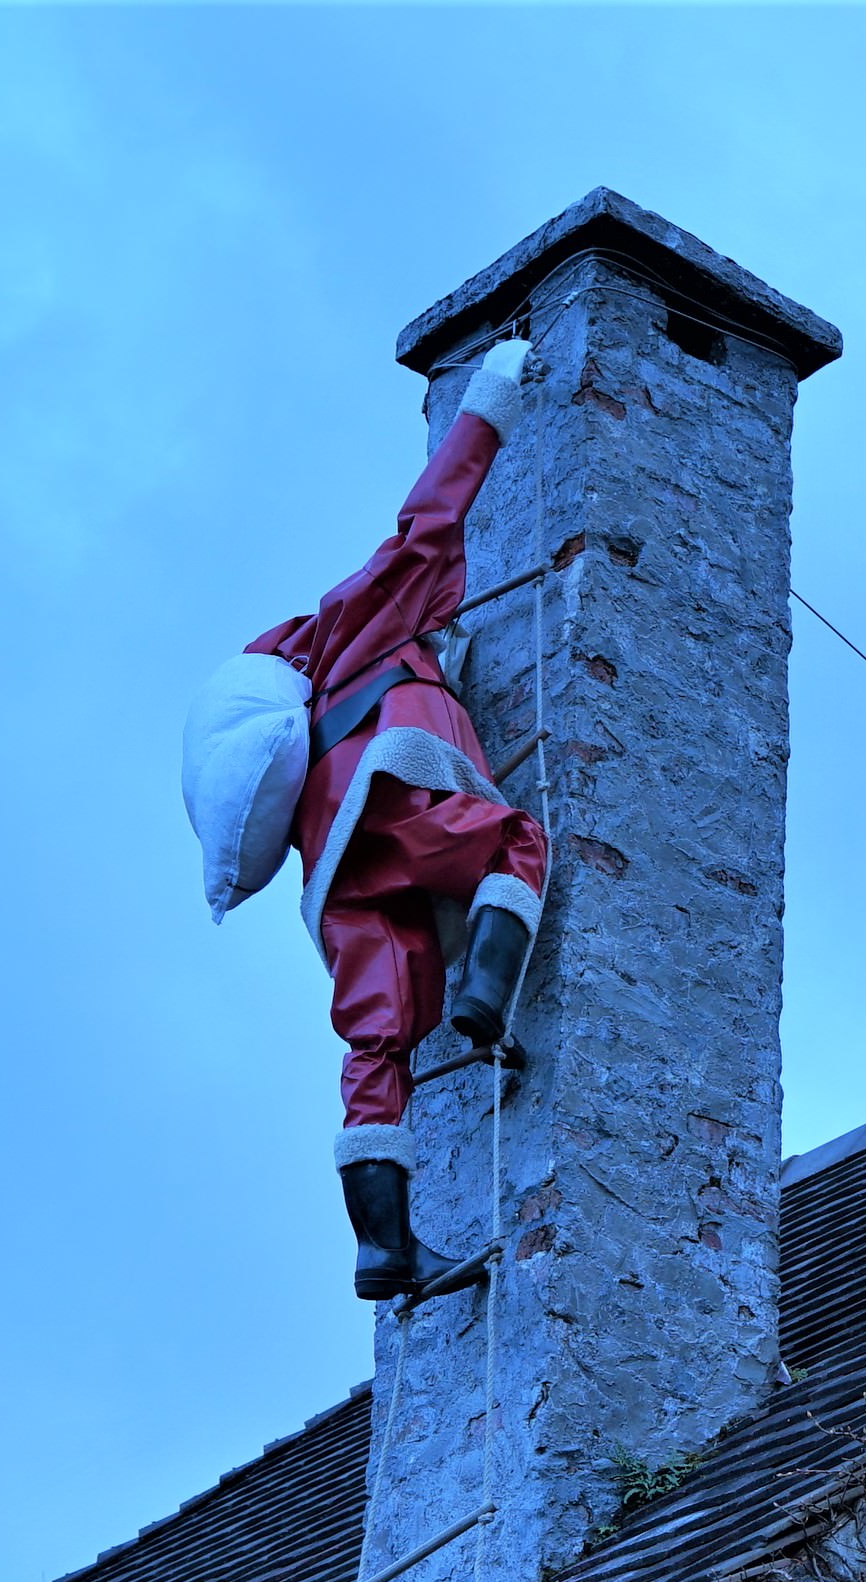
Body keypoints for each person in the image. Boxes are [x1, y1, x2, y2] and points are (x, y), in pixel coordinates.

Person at [182, 337, 548, 1301]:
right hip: (388, 802)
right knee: (512, 841)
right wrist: (494, 393)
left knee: (377, 1042)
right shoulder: (350, 629)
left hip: (336, 873)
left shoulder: (295, 731)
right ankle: (487, 1000)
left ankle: (383, 1247)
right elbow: (429, 521)